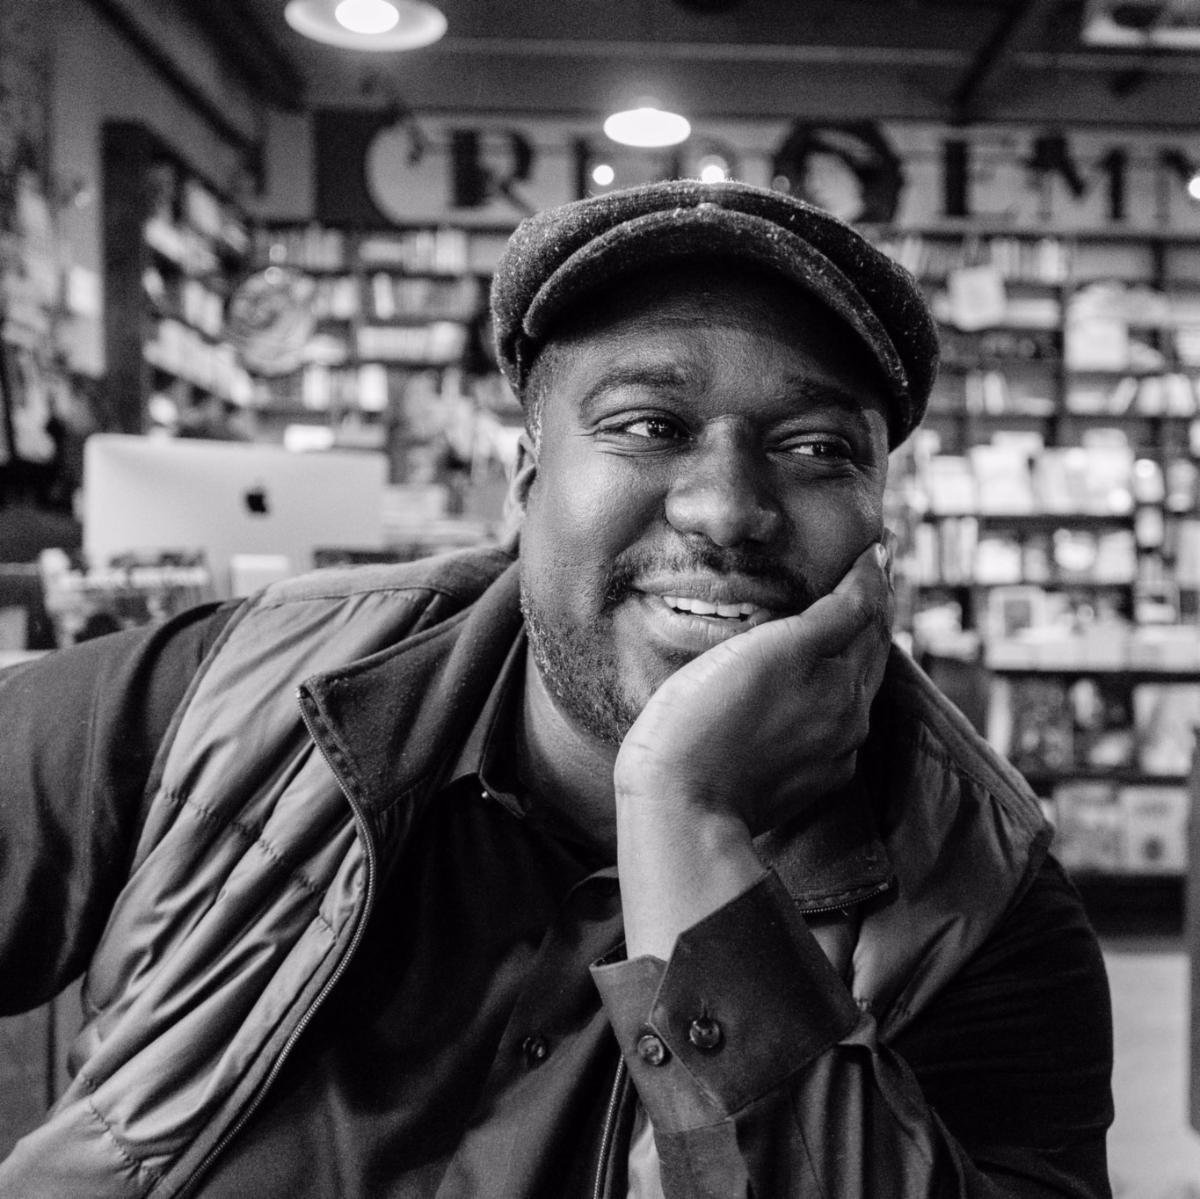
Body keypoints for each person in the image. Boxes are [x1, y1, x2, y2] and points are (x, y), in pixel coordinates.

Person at [0, 179, 1112, 1198]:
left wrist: (688, 815)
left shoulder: (984, 892)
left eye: (818, 448)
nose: (726, 508)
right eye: (647, 425)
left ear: (880, 524)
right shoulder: (226, 691)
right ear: (525, 480)